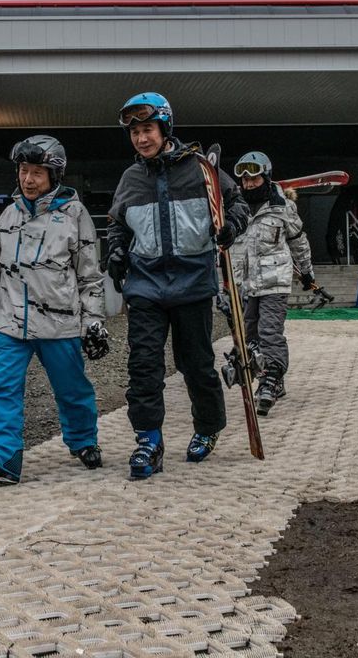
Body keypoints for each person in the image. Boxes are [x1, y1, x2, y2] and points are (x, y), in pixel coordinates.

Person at [105, 92, 248, 480]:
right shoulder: (131, 178)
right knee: (144, 367)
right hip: (146, 287)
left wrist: (231, 227)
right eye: (134, 132)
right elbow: (117, 224)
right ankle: (148, 441)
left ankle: (208, 426)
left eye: (147, 129)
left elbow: (237, 204)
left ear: (165, 128)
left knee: (196, 365)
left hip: (193, 284)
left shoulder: (201, 169)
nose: (140, 138)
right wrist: (116, 251)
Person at [0, 135, 109, 484]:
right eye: (24, 171)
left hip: (60, 322)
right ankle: (3, 456)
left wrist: (94, 321)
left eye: (37, 172)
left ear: (54, 175)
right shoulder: (11, 212)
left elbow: (89, 274)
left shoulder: (74, 214)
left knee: (71, 388)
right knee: (3, 387)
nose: (28, 180)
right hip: (11, 321)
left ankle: (84, 441)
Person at [228, 151, 315, 416]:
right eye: (244, 180)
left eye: (254, 179)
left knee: (270, 332)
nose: (249, 184)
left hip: (275, 281)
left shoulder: (282, 207)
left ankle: (271, 380)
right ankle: (260, 372)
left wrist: (308, 274)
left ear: (265, 177)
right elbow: (226, 247)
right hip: (245, 283)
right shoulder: (234, 208)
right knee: (248, 335)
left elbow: (298, 240)